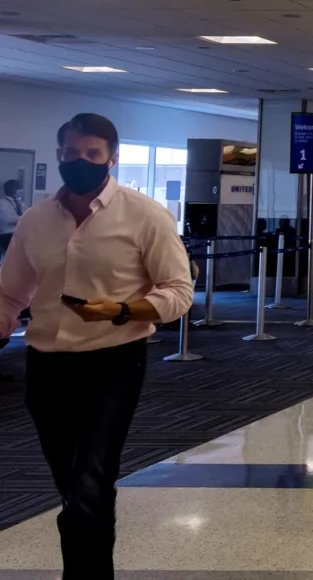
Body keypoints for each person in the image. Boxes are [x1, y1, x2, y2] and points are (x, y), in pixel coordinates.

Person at [0, 113, 194, 577]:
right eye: (71, 153)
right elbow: (10, 294)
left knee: (89, 482)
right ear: (59, 155)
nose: (80, 161)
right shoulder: (36, 220)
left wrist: (123, 310)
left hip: (113, 364)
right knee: (72, 485)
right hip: (46, 366)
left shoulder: (144, 215)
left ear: (112, 157)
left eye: (91, 154)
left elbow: (178, 291)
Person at [0, 178, 24, 259]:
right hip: (7, 234)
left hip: (18, 233)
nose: (20, 191)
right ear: (12, 190)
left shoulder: (19, 202)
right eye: (18, 189)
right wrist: (25, 218)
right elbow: (8, 219)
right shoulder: (2, 203)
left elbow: (28, 213)